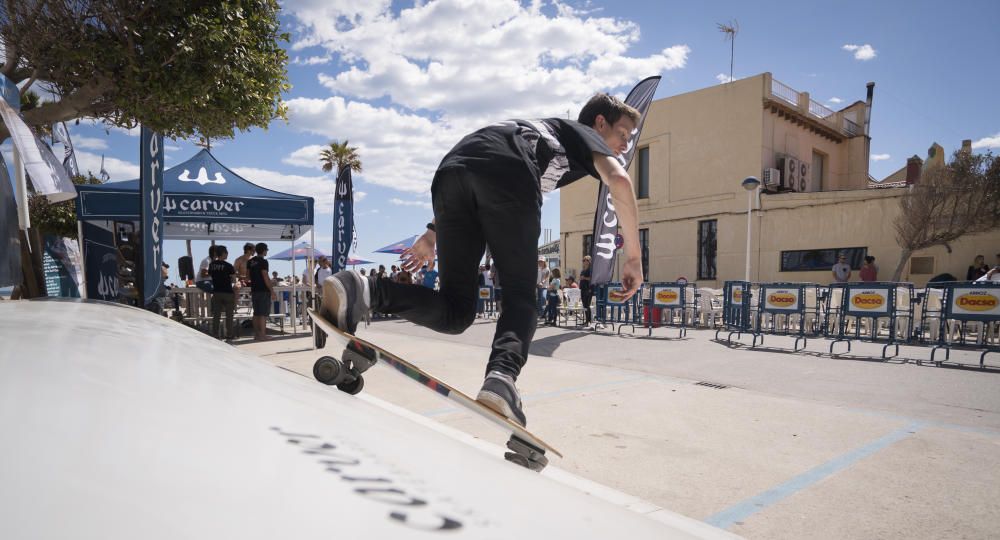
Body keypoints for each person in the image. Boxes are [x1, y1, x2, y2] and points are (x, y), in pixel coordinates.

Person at [320, 93, 644, 427]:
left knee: (455, 312)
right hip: (508, 172)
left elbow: (479, 165)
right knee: (521, 296)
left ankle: (364, 289)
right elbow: (619, 180)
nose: (625, 144)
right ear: (600, 123)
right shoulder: (581, 133)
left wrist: (433, 233)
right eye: (622, 134)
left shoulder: (542, 134)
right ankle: (502, 377)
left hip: (452, 170)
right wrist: (634, 257)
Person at [247, 243, 276, 341]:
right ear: (263, 251)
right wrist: (272, 290)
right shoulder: (264, 262)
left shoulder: (250, 261)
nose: (267, 251)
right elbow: (265, 275)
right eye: (266, 250)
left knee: (256, 313)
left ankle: (257, 334)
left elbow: (248, 276)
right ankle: (263, 335)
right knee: (263, 314)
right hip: (263, 290)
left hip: (254, 289)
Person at [209, 245, 238, 342]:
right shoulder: (229, 266)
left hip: (216, 292)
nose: (228, 254)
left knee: (216, 315)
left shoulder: (212, 265)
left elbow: (211, 276)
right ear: (224, 253)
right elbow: (234, 279)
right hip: (227, 292)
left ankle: (215, 334)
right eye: (227, 252)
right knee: (229, 315)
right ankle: (229, 334)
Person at [579, 255, 593, 325]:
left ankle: (589, 320)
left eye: (586, 260)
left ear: (589, 261)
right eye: (583, 260)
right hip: (583, 289)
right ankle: (587, 320)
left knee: (587, 305)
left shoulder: (590, 270)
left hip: (588, 289)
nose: (584, 261)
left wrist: (584, 278)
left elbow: (591, 279)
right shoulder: (583, 270)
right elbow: (581, 278)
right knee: (584, 305)